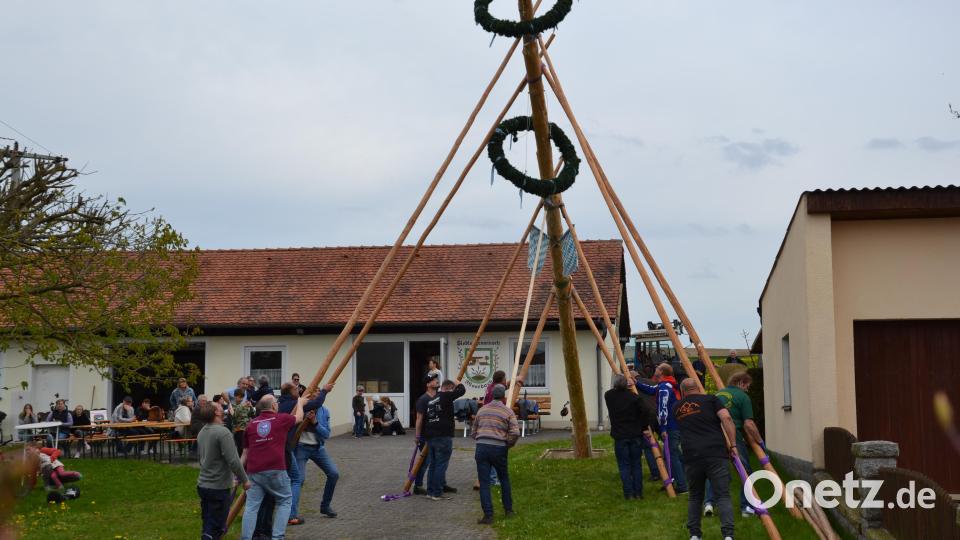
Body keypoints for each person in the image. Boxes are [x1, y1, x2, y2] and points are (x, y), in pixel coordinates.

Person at [674, 377, 738, 540]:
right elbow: (726, 418)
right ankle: (728, 535)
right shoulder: (711, 399)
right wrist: (733, 445)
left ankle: (695, 535)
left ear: (683, 392)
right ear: (698, 387)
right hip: (715, 452)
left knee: (695, 496)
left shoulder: (677, 407)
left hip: (691, 455)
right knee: (722, 495)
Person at [239, 393, 304, 540]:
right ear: (274, 406)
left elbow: (245, 453)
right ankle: (277, 537)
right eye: (277, 402)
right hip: (275, 469)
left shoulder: (251, 425)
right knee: (285, 500)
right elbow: (299, 418)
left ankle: (246, 538)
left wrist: (237, 474)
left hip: (254, 471)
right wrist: (300, 403)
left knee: (251, 507)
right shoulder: (280, 419)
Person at [705, 372, 765, 518]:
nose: (748, 390)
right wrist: (760, 441)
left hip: (713, 436)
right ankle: (746, 507)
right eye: (747, 386)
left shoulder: (716, 395)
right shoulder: (743, 397)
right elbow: (749, 424)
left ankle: (709, 503)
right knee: (745, 471)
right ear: (741, 383)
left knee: (715, 470)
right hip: (732, 434)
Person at [196, 402, 249, 540]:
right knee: (217, 528)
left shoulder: (202, 432)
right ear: (217, 413)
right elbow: (234, 460)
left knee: (208, 524)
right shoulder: (223, 432)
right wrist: (245, 480)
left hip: (203, 485)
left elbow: (201, 459)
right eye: (219, 406)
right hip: (217, 488)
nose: (222, 407)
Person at [472, 384, 519, 524]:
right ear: (504, 397)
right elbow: (515, 432)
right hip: (499, 448)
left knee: (484, 482)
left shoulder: (482, 410)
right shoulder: (508, 412)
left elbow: (474, 432)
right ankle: (508, 510)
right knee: (504, 478)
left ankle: (488, 515)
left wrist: (482, 439)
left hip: (482, 448)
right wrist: (508, 444)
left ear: (492, 395)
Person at [637, 363, 687, 493]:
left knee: (672, 454)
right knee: (676, 454)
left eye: (658, 368)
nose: (655, 369)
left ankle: (682, 486)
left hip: (671, 425)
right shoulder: (666, 385)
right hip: (676, 425)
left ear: (662, 373)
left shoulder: (664, 387)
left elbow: (663, 409)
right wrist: (636, 383)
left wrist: (663, 428)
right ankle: (682, 478)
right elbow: (651, 389)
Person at [415, 375, 466, 500]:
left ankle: (430, 492)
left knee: (433, 465)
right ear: (448, 389)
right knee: (440, 464)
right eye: (451, 389)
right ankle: (437, 493)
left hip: (431, 436)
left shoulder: (433, 399)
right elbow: (461, 390)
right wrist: (458, 383)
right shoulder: (445, 395)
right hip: (443, 436)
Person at [290, 404, 340, 523]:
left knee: (334, 474)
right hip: (301, 448)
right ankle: (292, 515)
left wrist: (315, 422)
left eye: (319, 392)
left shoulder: (324, 411)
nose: (316, 395)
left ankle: (325, 506)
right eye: (314, 392)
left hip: (318, 448)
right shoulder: (300, 408)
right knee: (299, 479)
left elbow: (326, 434)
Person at [604, 374, 651, 500]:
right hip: (635, 434)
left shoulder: (609, 396)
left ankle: (628, 493)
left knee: (624, 465)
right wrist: (644, 427)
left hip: (620, 435)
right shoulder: (634, 398)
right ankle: (638, 493)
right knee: (636, 464)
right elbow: (645, 411)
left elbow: (612, 391)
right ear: (627, 385)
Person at [630, 370, 661, 483]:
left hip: (646, 416)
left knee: (648, 446)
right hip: (658, 413)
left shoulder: (631, 385)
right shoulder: (651, 382)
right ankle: (673, 468)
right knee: (668, 442)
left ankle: (656, 473)